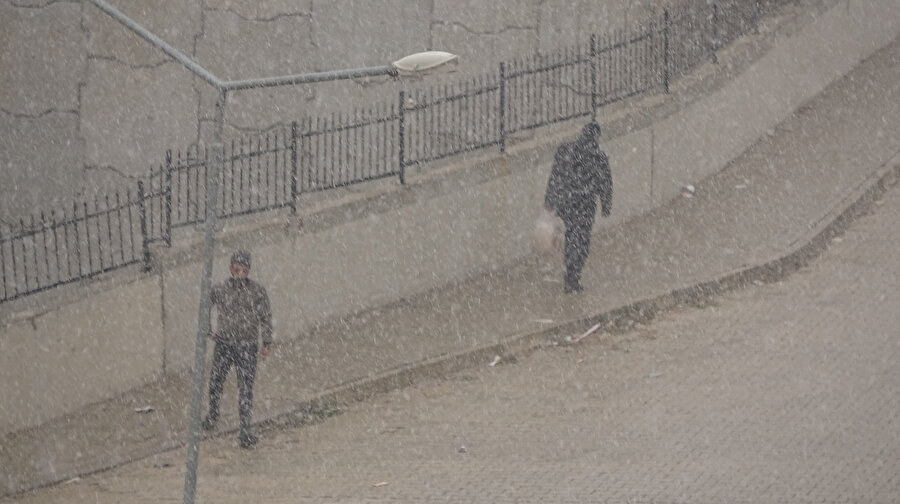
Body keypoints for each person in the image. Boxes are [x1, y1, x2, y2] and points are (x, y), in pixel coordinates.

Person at [202, 250, 273, 448]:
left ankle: (244, 431)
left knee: (245, 389)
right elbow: (205, 304)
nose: (240, 272)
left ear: (249, 270)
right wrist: (208, 329)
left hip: (247, 345)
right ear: (230, 268)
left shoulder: (257, 291)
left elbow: (266, 317)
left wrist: (266, 342)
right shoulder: (221, 289)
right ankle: (213, 414)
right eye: (236, 268)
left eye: (244, 269)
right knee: (216, 381)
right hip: (225, 343)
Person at [544, 122, 612, 293]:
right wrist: (606, 205)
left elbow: (555, 175)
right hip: (586, 204)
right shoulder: (598, 157)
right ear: (596, 137)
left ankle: (570, 274)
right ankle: (573, 276)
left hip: (567, 203)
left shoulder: (565, 151)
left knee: (571, 236)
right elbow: (605, 183)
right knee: (582, 240)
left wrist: (550, 199)